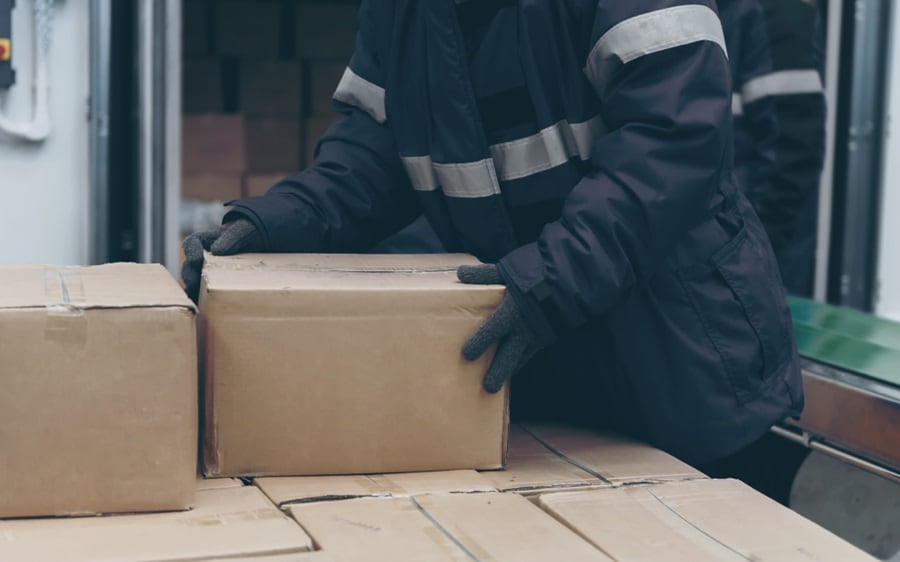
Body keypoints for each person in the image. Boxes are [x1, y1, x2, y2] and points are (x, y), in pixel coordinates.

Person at [182, 0, 803, 468]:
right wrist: (272, 225)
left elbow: (671, 144)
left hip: (685, 375)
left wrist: (548, 281)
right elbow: (372, 150)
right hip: (544, 380)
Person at [719, 0, 826, 296]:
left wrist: (753, 254)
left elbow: (792, 157)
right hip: (728, 254)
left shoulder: (776, 14)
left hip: (757, 257)